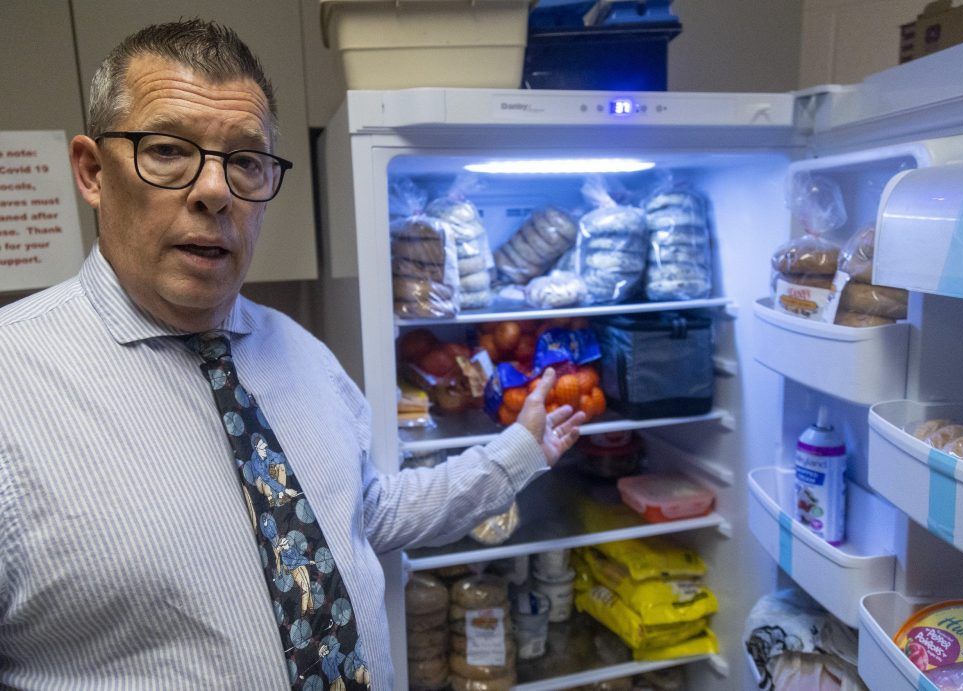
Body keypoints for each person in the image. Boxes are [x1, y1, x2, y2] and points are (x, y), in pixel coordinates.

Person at [0, 19, 584, 690]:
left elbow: (372, 511)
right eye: (166, 150)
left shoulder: (300, 352)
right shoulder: (12, 389)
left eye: (245, 161)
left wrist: (519, 451)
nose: (215, 190)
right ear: (92, 171)